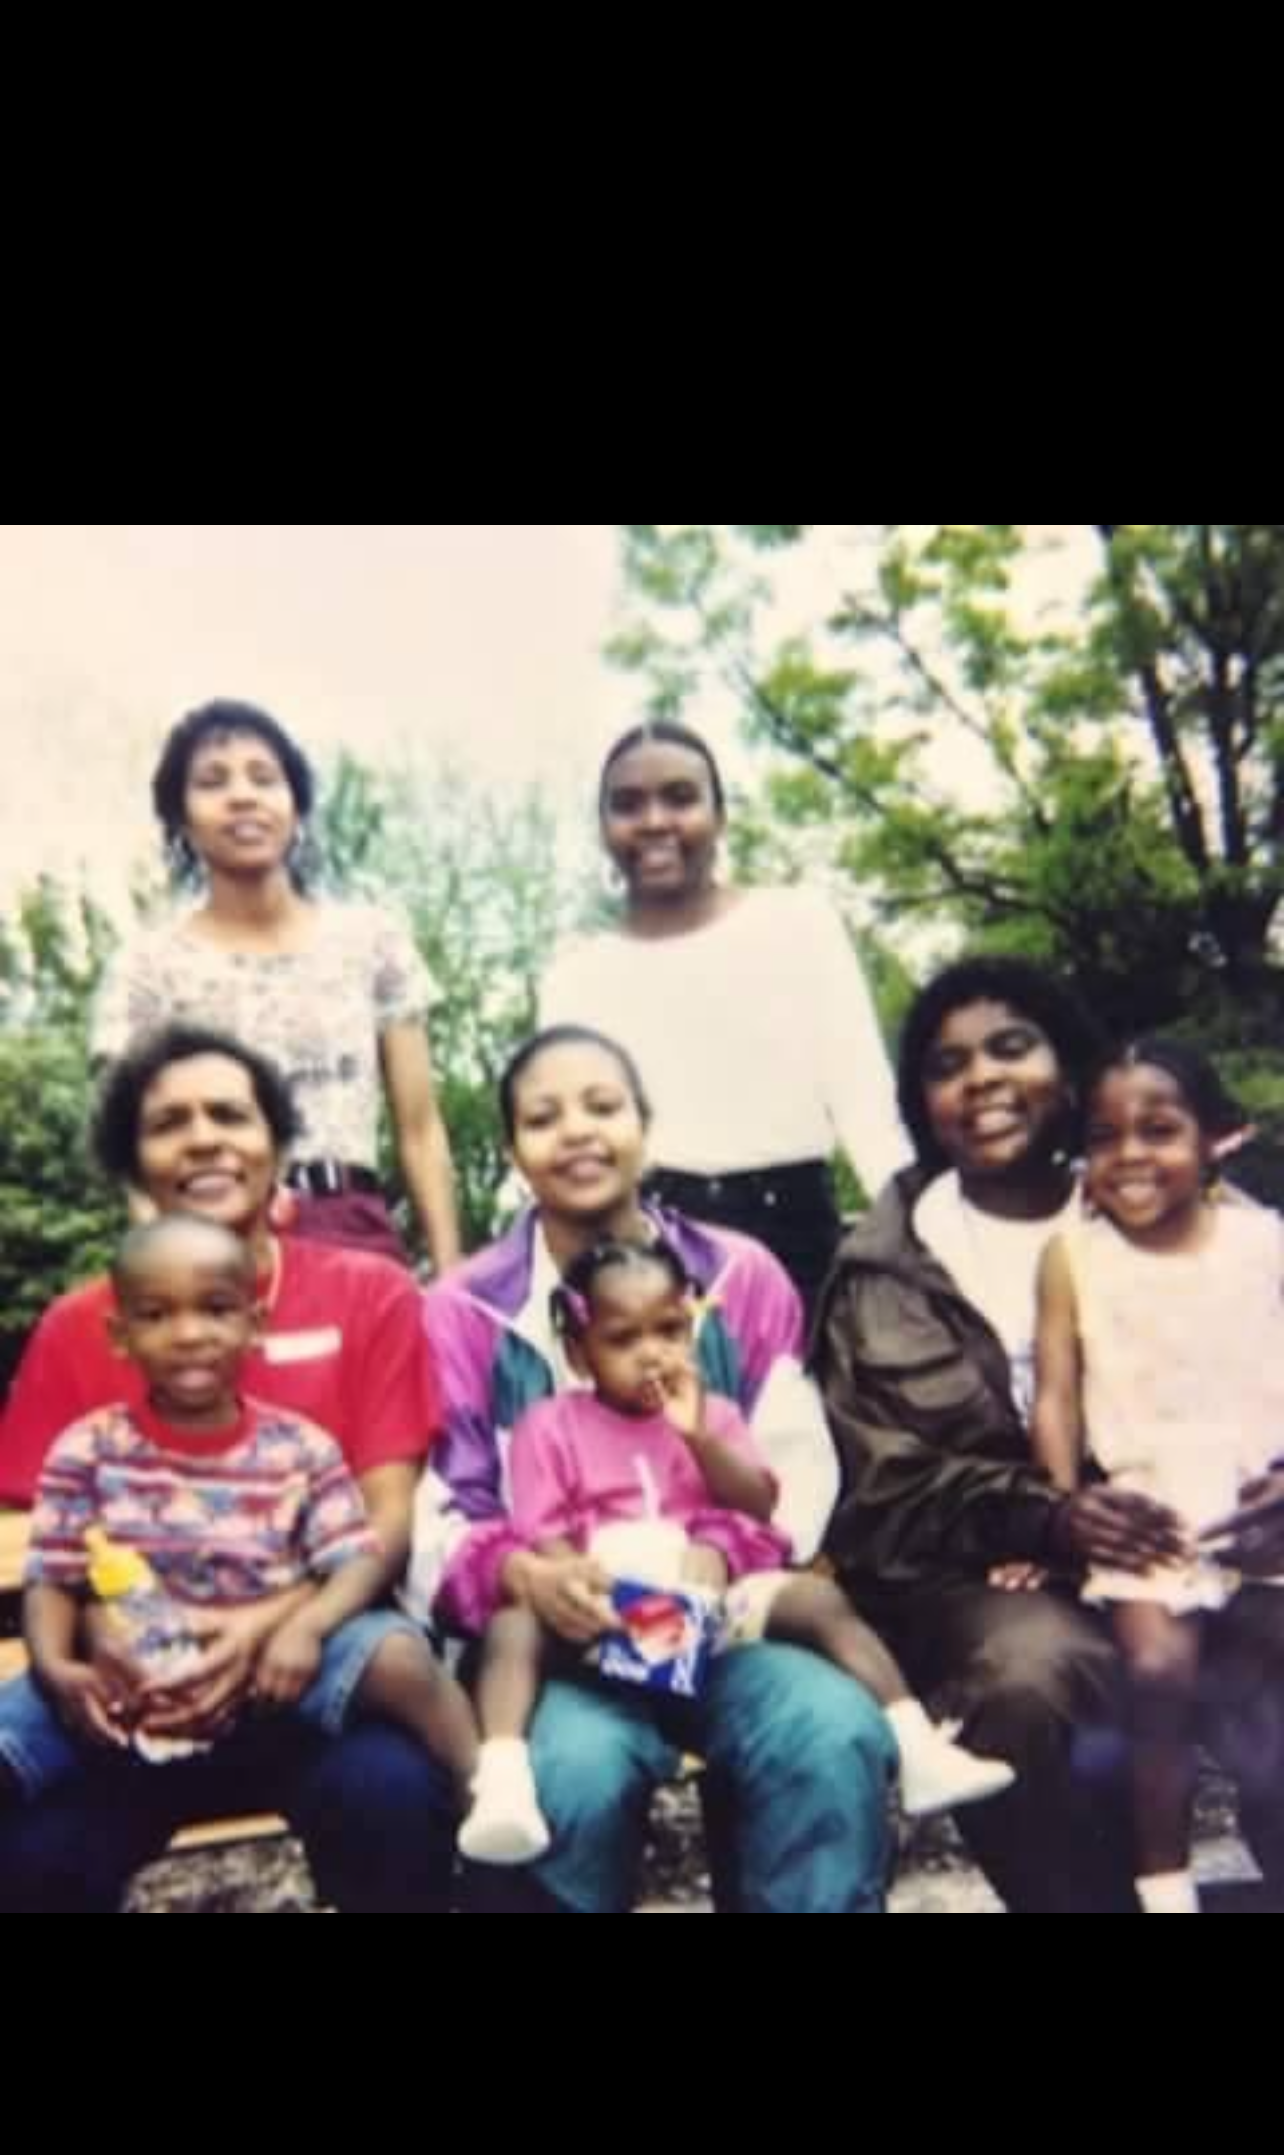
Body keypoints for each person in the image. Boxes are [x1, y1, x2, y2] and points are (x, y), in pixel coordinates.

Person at [407, 1026, 898, 1912]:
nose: (579, 1132)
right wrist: (521, 1570)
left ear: (647, 1126)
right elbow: (443, 1506)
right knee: (571, 1777)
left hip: (722, 1632)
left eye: (604, 1106)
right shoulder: (464, 1309)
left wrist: (724, 1548)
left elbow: (797, 1468)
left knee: (828, 1734)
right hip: (563, 1650)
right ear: (513, 1149)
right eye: (543, 1117)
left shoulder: (737, 1277)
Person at [0, 1028, 454, 1913]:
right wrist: (99, 1638)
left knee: (392, 1797)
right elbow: (44, 1536)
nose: (204, 1138)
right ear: (136, 1161)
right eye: (170, 1123)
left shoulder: (369, 1293)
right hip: (140, 1701)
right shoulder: (79, 1324)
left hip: (307, 1670)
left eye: (229, 1115)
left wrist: (257, 1627)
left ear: (277, 1143)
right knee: (35, 1852)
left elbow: (384, 1519)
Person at [813, 956, 1195, 1915]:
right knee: (1027, 1687)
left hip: (1191, 1540)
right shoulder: (881, 1272)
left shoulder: (1170, 1197)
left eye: (1011, 1048)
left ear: (1068, 1074)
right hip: (979, 1583)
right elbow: (885, 1489)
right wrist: (1051, 1523)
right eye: (948, 1066)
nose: (981, 1078)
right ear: (922, 1105)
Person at [459, 1237, 1013, 1861]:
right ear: (577, 1351)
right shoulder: (550, 1424)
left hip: (705, 1611)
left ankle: (915, 1742)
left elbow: (755, 1507)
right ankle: (501, 1779)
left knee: (815, 1597)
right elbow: (543, 1533)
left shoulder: (713, 1413)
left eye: (670, 1331)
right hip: (602, 1617)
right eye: (624, 1339)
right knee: (512, 1627)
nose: (653, 1356)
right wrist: (582, 1588)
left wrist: (698, 1438)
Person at [3, 1215, 479, 1813]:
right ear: (119, 1335)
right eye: (155, 1315)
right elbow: (54, 1576)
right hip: (142, 1671)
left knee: (398, 1658)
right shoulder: (87, 1451)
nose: (189, 1333)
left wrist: (307, 1628)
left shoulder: (300, 1448)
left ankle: (486, 1805)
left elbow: (354, 1557)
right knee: (10, 1737)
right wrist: (54, 1668)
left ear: (253, 1326)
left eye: (216, 1309)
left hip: (280, 1663)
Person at [1032, 1038, 1284, 1913]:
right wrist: (1060, 1506)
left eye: (1159, 1130)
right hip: (1148, 1515)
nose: (1130, 1155)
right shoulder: (1074, 1256)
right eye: (1104, 1136)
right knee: (1157, 1675)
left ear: (1217, 1139)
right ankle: (1164, 1888)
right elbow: (1057, 1396)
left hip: (1260, 1507)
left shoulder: (1262, 1244)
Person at [538, 722, 906, 1319]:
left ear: (720, 813)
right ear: (604, 828)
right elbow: (564, 1152)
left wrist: (914, 1241)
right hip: (645, 1259)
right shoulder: (574, 976)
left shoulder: (799, 926)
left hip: (798, 1239)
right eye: (628, 805)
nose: (655, 821)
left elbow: (867, 1107)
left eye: (680, 798)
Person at [93, 698, 460, 1269]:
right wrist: (169, 1263)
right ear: (182, 818)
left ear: (296, 806)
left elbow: (419, 1128)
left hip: (352, 1230)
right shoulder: (147, 966)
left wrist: (451, 1276)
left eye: (264, 778)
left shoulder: (371, 941)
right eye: (213, 782)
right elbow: (131, 1149)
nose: (243, 795)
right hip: (208, 1234)